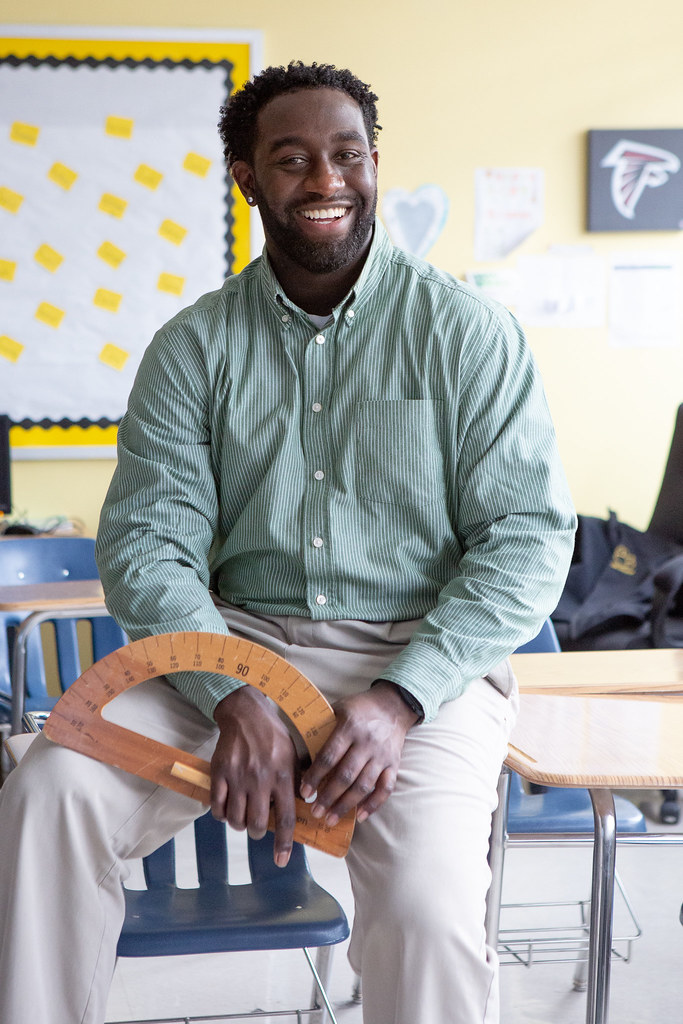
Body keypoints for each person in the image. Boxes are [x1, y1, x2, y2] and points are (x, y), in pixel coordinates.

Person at [0, 61, 576, 1024]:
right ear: (246, 176)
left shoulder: (467, 335)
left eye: (347, 155)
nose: (325, 180)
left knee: (430, 911)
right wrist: (231, 691)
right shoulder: (193, 347)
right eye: (293, 158)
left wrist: (398, 700)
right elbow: (147, 545)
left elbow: (524, 541)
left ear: (375, 164)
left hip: (417, 663)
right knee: (48, 795)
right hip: (229, 645)